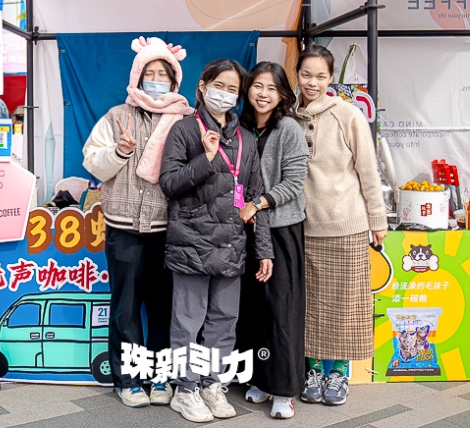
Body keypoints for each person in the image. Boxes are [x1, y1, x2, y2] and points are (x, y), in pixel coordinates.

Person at [82, 37, 193, 409]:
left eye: (164, 74)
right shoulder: (117, 116)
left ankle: (160, 376)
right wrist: (120, 151)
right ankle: (128, 380)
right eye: (150, 73)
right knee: (126, 309)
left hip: (170, 230)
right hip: (124, 227)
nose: (157, 80)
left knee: (164, 309)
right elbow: (92, 161)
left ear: (175, 81)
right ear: (137, 76)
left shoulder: (185, 120)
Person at [160, 59, 273, 423]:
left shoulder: (245, 138)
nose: (225, 94)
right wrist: (206, 158)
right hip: (191, 243)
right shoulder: (184, 130)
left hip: (231, 244)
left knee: (224, 320)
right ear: (203, 85)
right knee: (187, 321)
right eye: (219, 85)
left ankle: (212, 384)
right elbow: (169, 184)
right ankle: (185, 390)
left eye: (232, 89)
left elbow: (254, 195)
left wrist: (264, 250)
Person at [292, 45, 386, 407]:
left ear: (331, 78)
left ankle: (340, 373)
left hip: (346, 225)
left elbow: (368, 170)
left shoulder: (348, 115)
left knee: (346, 306)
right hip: (305, 228)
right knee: (312, 306)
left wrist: (377, 219)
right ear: (297, 75)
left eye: (320, 76)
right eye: (306, 74)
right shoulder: (289, 116)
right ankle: (315, 370)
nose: (312, 82)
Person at [236, 62, 309, 420]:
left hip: (281, 228)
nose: (263, 94)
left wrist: (258, 203)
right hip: (248, 230)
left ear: (282, 94)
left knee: (281, 309)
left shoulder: (289, 128)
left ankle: (283, 389)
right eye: (257, 86)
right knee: (254, 309)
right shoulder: (242, 126)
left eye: (271, 88)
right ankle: (261, 380)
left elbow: (295, 181)